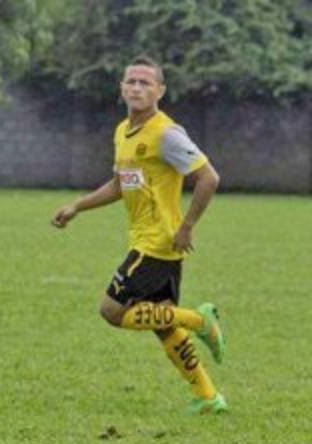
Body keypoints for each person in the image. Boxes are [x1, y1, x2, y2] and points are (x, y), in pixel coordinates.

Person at [52, 56, 226, 415]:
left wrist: (187, 225)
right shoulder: (123, 131)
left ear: (160, 91)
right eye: (131, 81)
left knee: (112, 311)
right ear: (121, 88)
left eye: (146, 82)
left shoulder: (166, 134)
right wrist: (77, 207)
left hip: (158, 245)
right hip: (148, 242)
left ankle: (198, 320)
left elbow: (209, 177)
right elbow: (120, 185)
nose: (137, 87)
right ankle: (209, 397)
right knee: (163, 325)